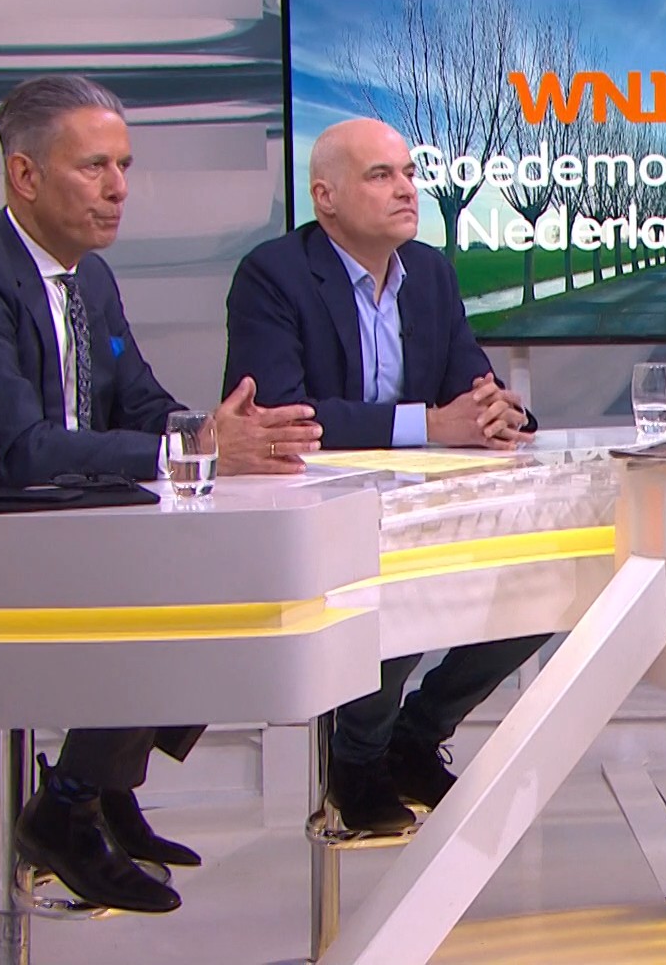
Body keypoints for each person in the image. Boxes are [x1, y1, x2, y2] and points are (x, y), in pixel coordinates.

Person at [0, 75, 322, 913]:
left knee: (231, 580)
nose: (118, 189)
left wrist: (220, 431)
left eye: (124, 166)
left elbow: (139, 404)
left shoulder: (91, 280)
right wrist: (193, 450)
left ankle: (103, 786)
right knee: (179, 595)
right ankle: (67, 809)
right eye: (94, 167)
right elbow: (22, 451)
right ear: (25, 175)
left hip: (60, 533)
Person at [224, 117, 545, 833]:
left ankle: (415, 736)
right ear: (325, 197)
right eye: (381, 176)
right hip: (319, 513)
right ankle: (359, 760)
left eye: (409, 173)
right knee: (401, 589)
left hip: (423, 506)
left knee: (543, 586)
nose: (407, 189)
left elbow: (470, 383)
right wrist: (429, 424)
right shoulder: (274, 275)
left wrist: (501, 410)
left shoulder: (428, 272)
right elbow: (279, 415)